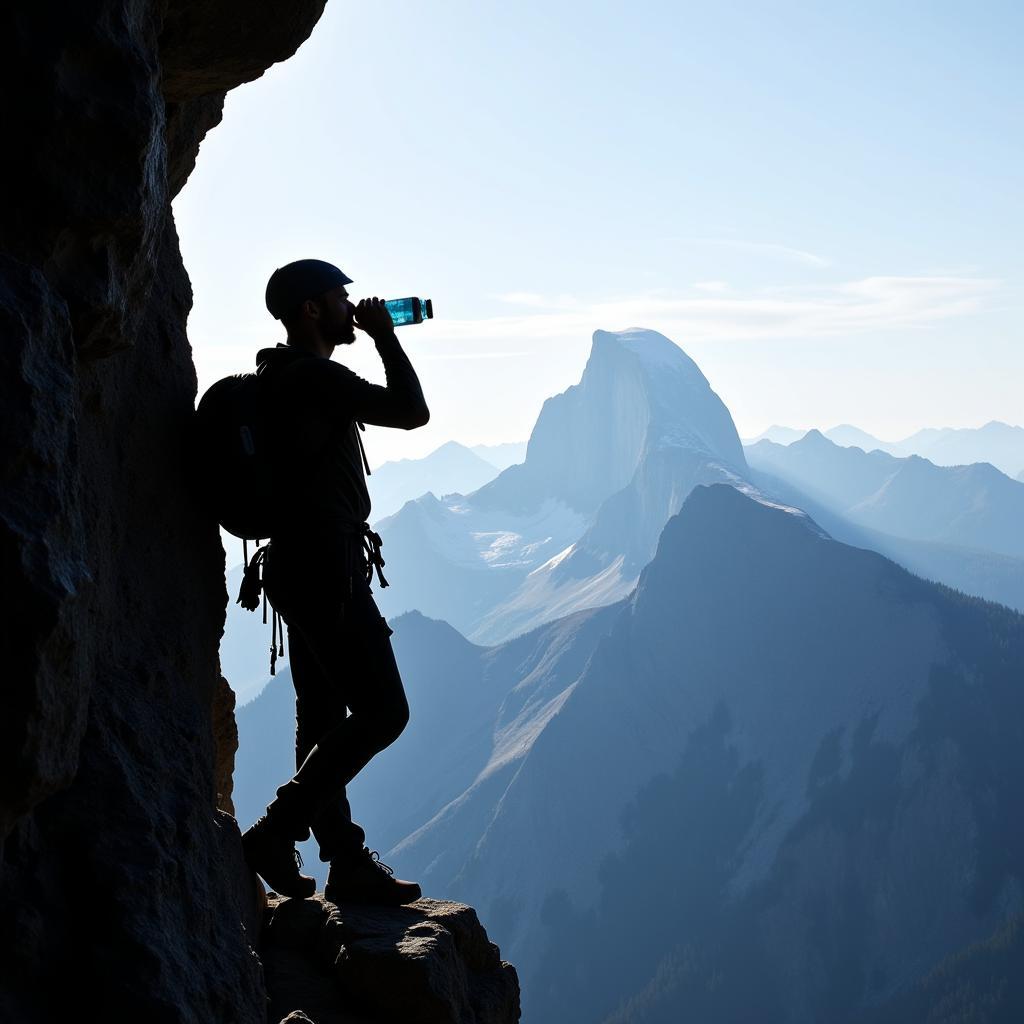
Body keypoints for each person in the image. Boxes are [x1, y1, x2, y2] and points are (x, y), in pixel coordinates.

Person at [240, 258, 429, 904]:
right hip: (328, 569)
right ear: (312, 310)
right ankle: (275, 830)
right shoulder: (315, 378)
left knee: (320, 714)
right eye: (340, 298)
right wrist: (386, 335)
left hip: (298, 568)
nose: (353, 306)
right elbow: (411, 412)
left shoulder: (279, 377)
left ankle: (344, 860)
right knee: (384, 710)